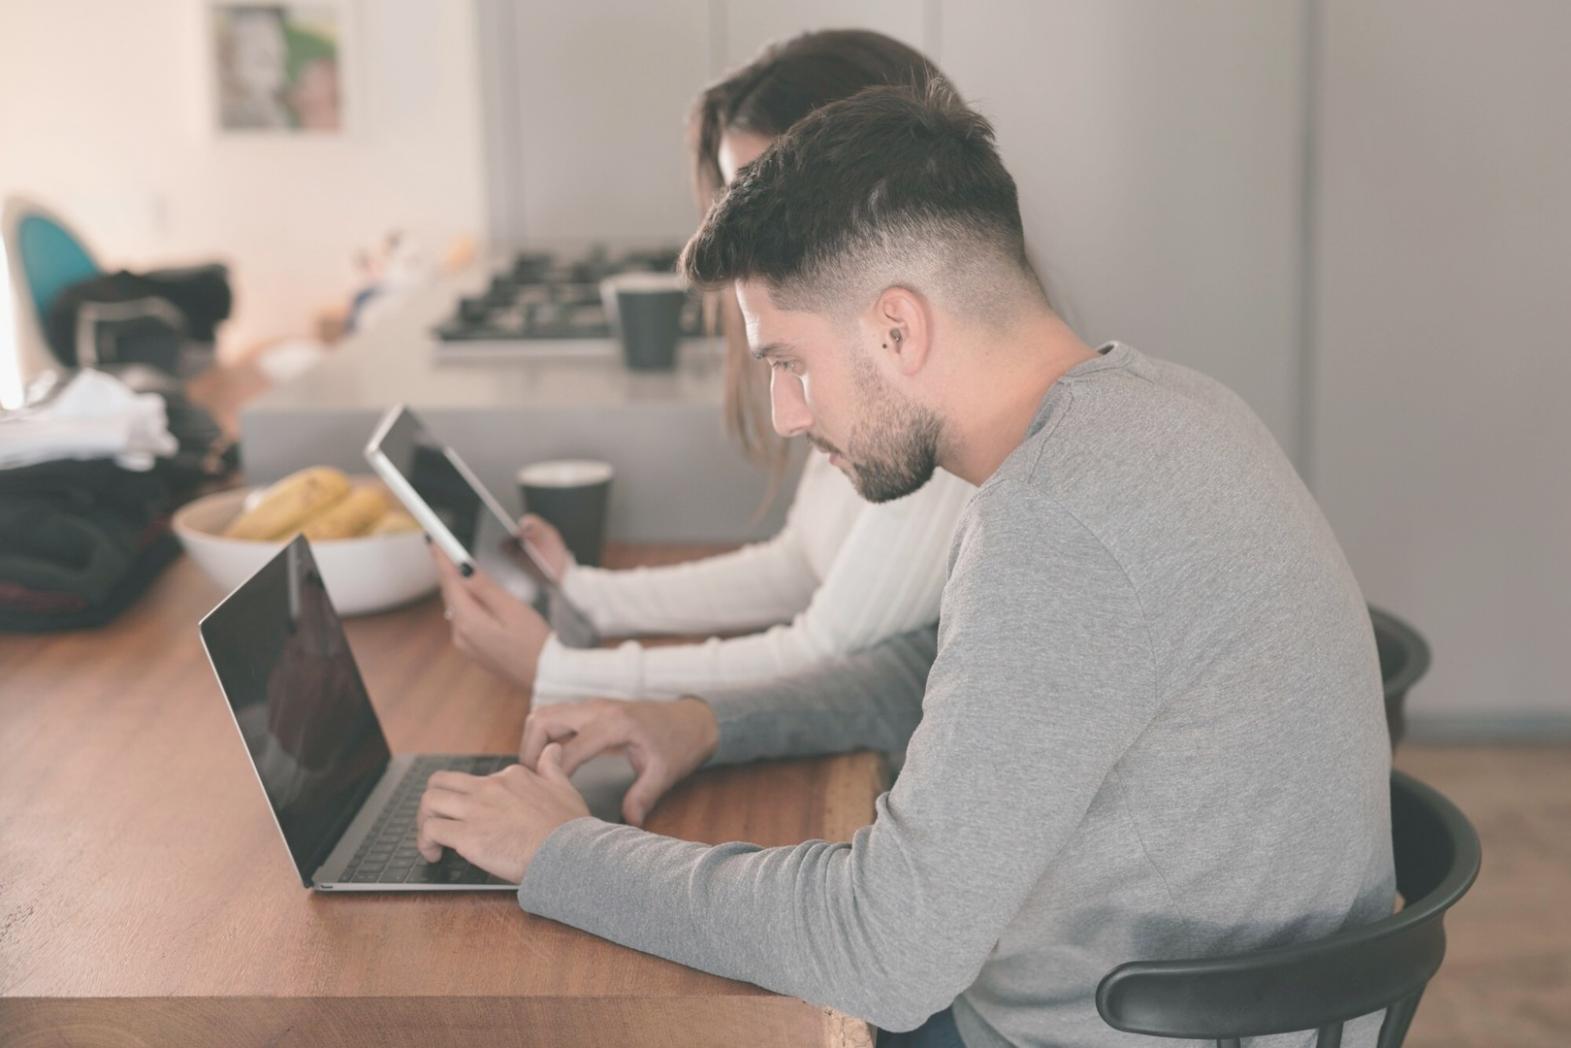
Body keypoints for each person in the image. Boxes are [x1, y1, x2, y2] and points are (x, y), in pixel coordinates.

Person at [413, 86, 1396, 1047]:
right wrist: (707, 721)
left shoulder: (1057, 519)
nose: (788, 416)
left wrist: (559, 851)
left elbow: (885, 949)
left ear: (896, 327)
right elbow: (940, 671)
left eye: (786, 362)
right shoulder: (1160, 407)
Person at [432, 30, 975, 704]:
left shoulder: (930, 391)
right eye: (732, 193)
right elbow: (803, 564)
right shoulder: (857, 349)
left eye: (759, 189)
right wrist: (587, 592)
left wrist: (558, 672)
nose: (739, 228)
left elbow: (822, 652)